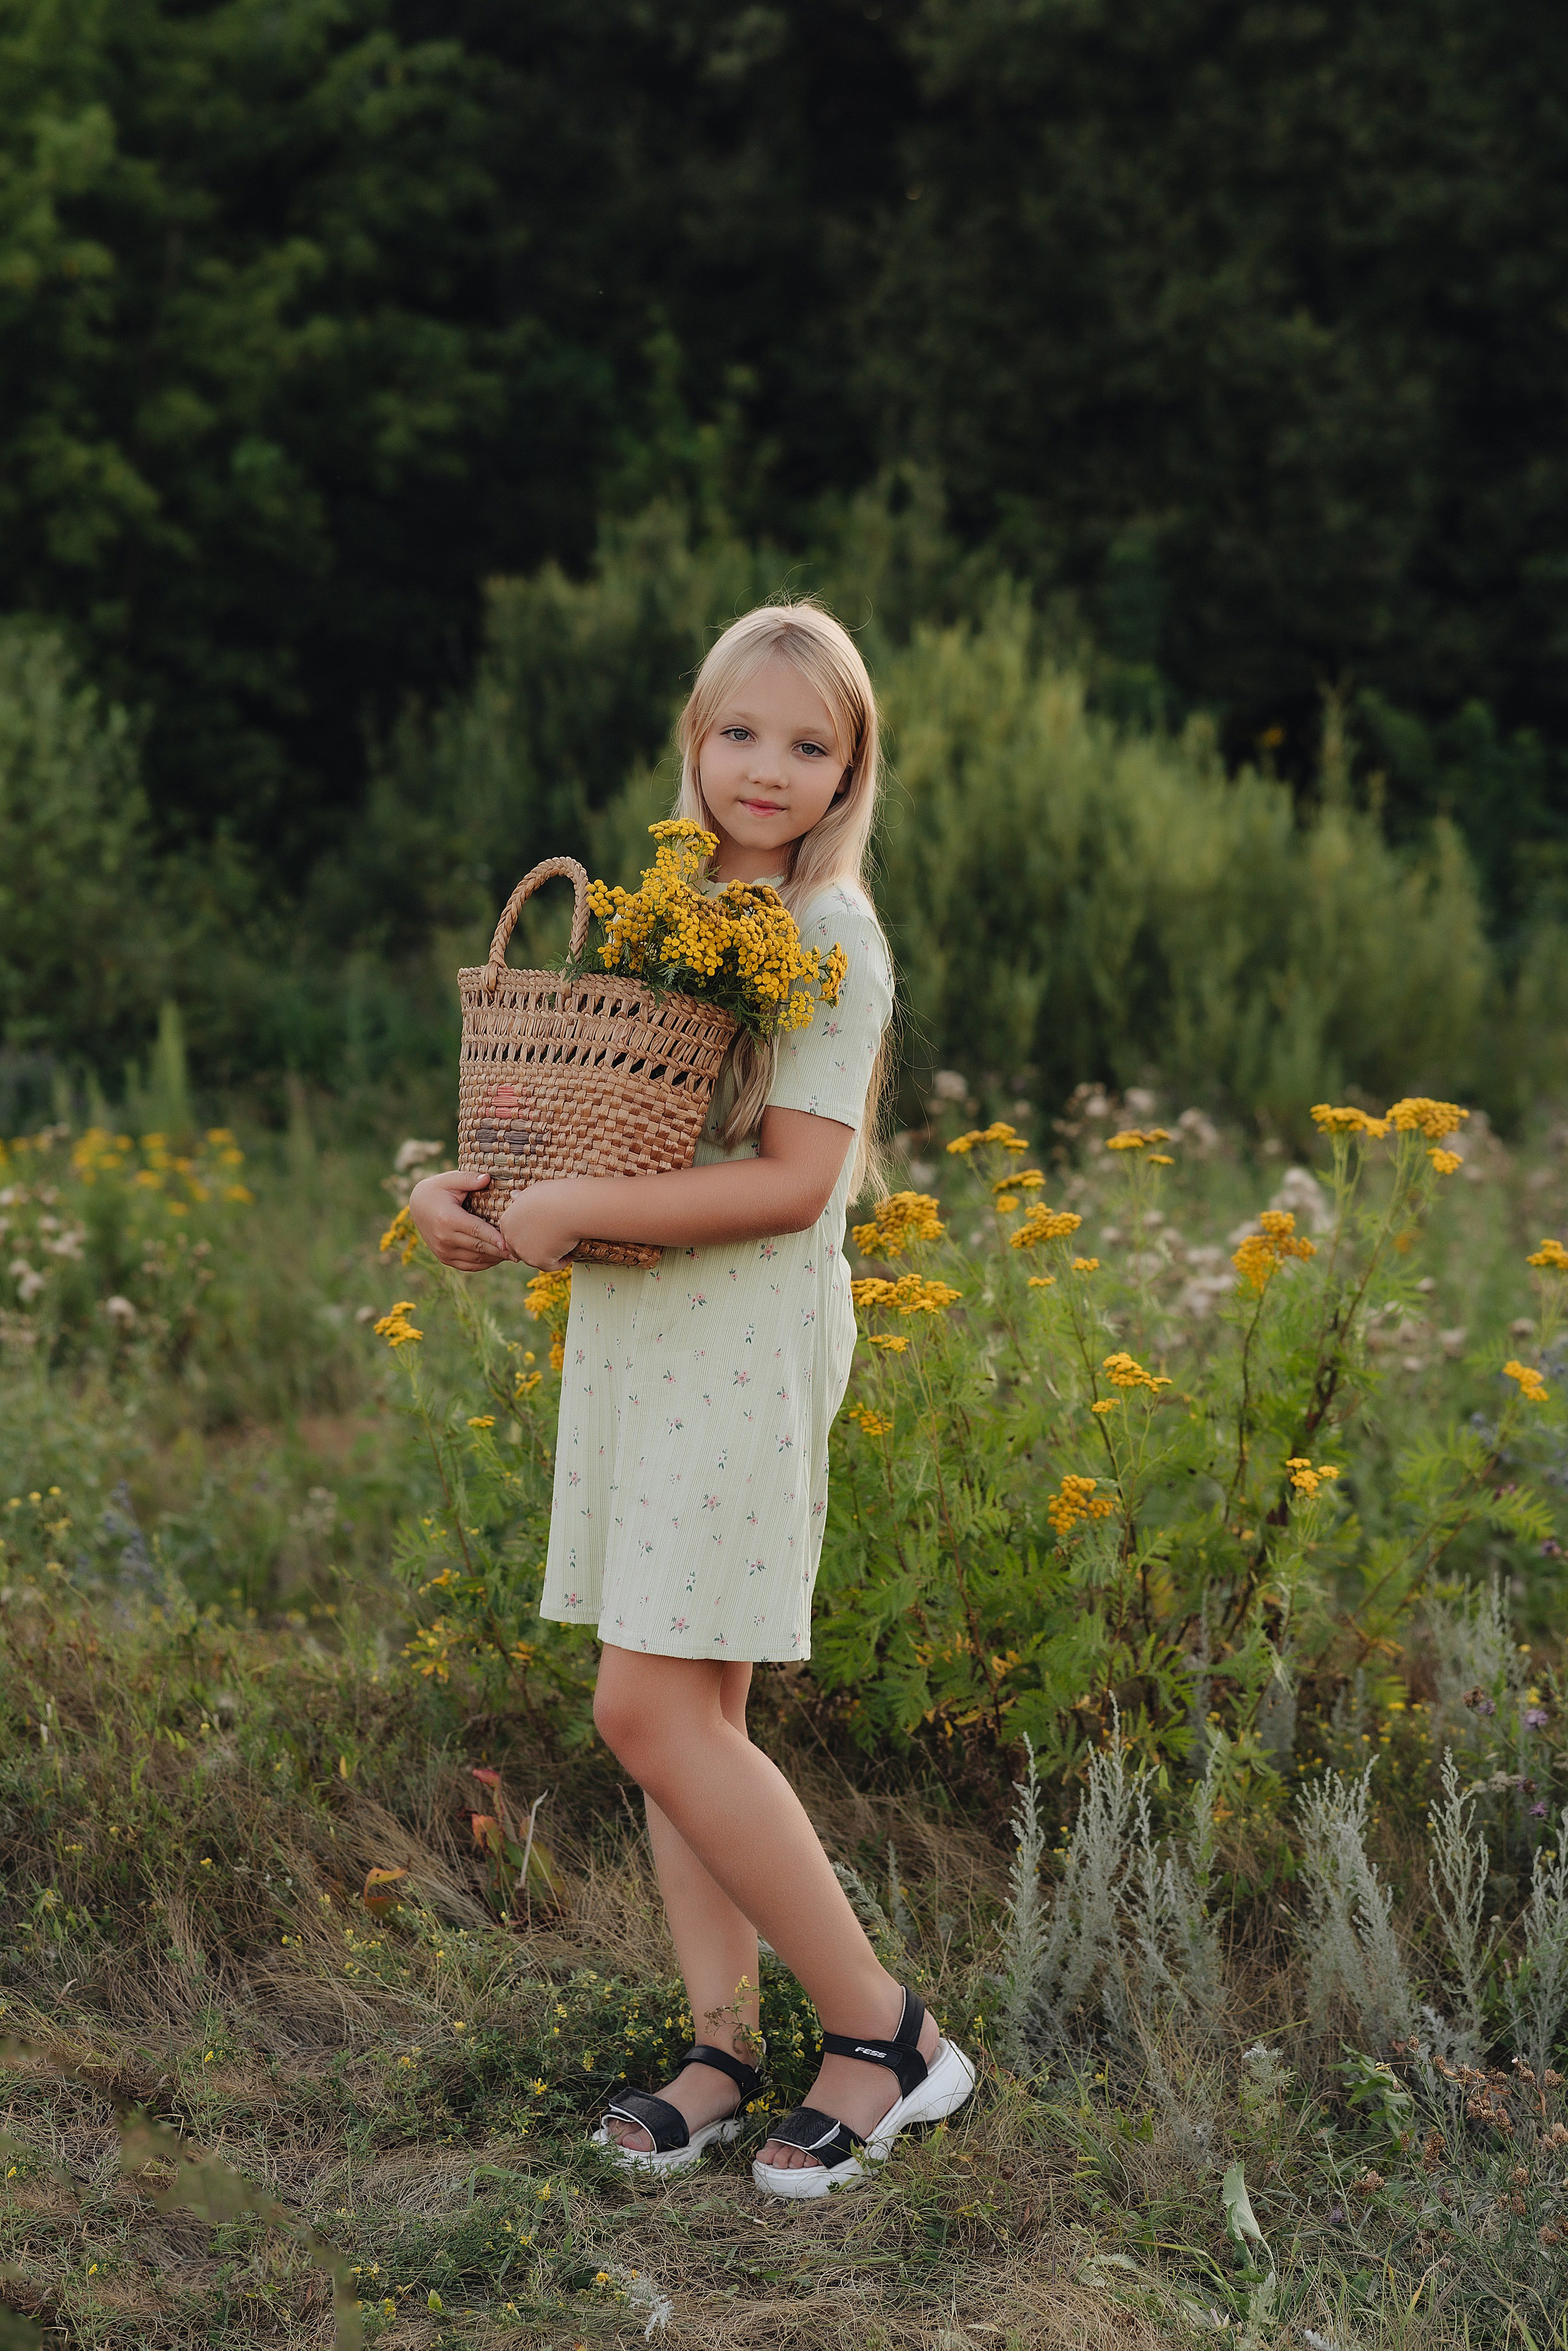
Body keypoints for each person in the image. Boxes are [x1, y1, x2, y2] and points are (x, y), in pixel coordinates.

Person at [409, 602, 974, 2199]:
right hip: (643, 1329)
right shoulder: (672, 906)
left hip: (745, 1336)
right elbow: (613, 1124)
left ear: (853, 765)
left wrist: (572, 1216)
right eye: (740, 733)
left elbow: (798, 1186)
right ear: (695, 740)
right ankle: (724, 2049)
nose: (766, 769)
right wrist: (479, 1192)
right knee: (692, 1723)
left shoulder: (831, 933)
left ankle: (887, 2037)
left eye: (809, 744)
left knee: (641, 1708)